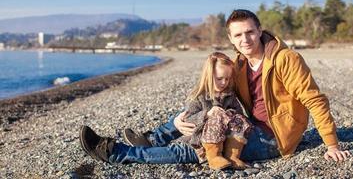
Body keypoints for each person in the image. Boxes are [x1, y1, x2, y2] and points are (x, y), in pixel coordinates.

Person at [123, 9, 351, 162]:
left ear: (260, 31)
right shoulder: (238, 64)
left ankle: (122, 154)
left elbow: (315, 100)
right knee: (201, 110)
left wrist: (332, 145)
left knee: (196, 147)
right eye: (239, 35)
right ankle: (153, 138)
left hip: (274, 138)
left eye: (250, 32)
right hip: (247, 124)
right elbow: (213, 95)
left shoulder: (285, 59)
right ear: (231, 39)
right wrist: (181, 120)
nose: (246, 39)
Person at [79, 52, 252, 169]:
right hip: (196, 143)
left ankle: (139, 144)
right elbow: (188, 119)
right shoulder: (199, 96)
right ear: (208, 76)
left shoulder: (230, 96)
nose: (223, 83)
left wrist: (230, 116)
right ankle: (114, 151)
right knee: (164, 154)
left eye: (227, 79)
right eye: (219, 78)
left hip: (221, 148)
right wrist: (207, 114)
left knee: (164, 153)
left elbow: (239, 119)